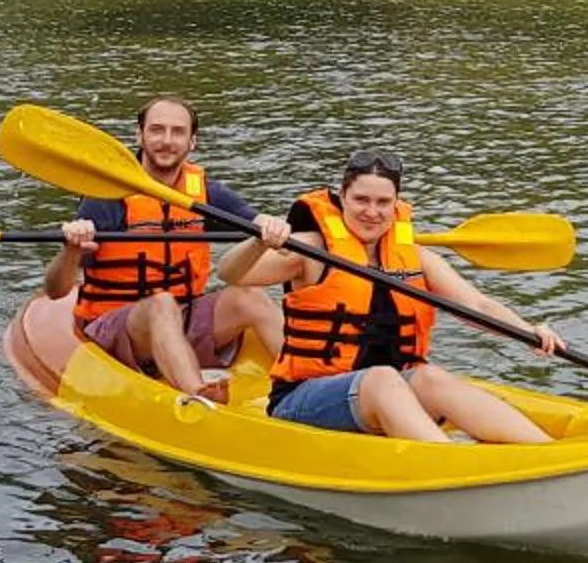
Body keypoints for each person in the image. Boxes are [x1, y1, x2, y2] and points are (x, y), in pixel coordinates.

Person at [216, 147, 561, 444]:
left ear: (397, 204)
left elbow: (477, 306)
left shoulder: (416, 257)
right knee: (381, 377)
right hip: (302, 400)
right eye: (361, 200)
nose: (372, 211)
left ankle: (545, 453)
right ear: (342, 197)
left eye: (383, 202)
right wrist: (259, 241)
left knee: (429, 376)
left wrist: (530, 333)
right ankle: (447, 461)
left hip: (386, 390)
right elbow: (231, 273)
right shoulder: (311, 250)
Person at [40, 96, 289, 402]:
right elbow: (55, 290)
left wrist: (271, 226)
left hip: (182, 318)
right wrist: (72, 249)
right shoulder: (107, 194)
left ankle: (309, 382)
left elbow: (252, 218)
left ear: (192, 141)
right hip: (115, 328)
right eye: (156, 130)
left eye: (177, 132)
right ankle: (198, 396)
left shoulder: (202, 191)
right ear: (139, 135)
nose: (166, 141)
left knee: (249, 296)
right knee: (161, 304)